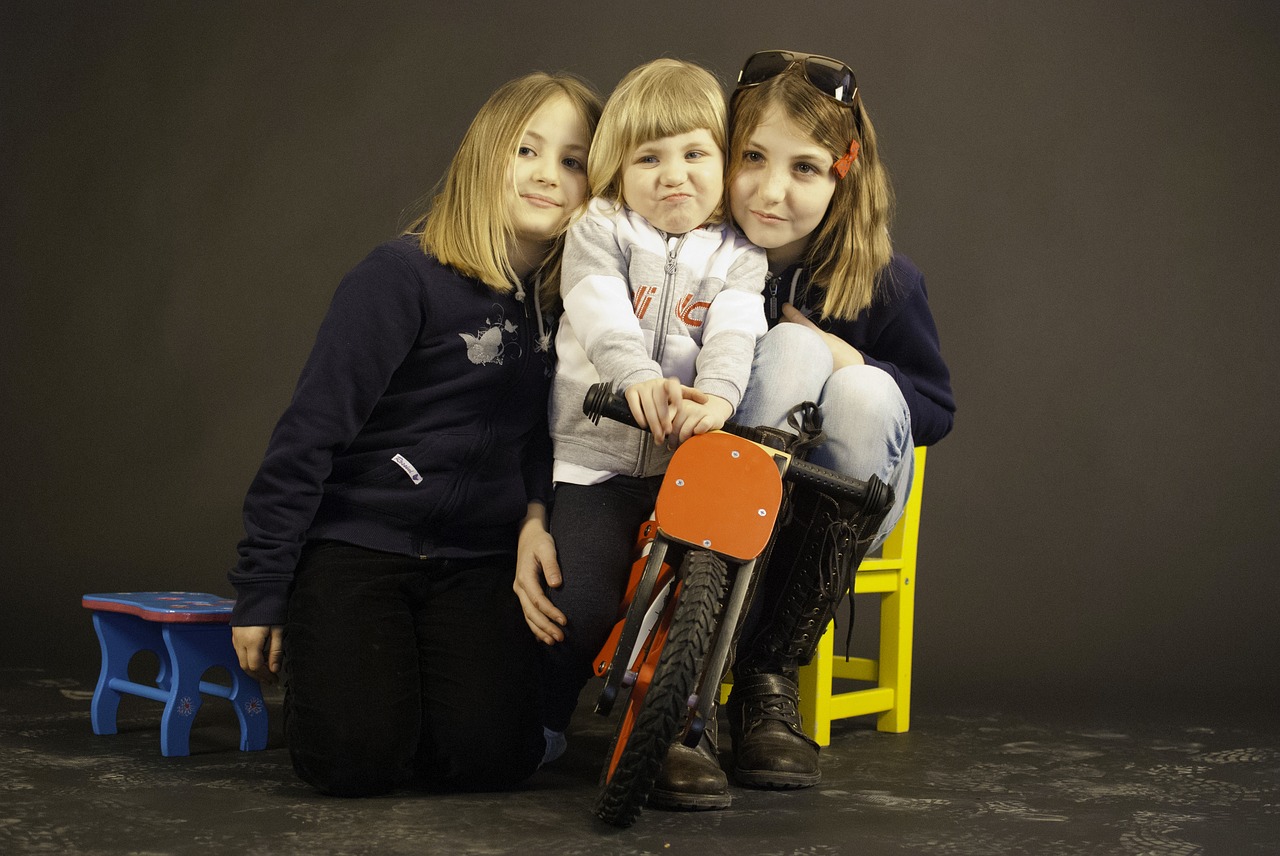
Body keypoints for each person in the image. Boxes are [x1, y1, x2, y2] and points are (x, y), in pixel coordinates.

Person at [227, 71, 601, 797]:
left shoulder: (574, 311)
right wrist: (262, 589)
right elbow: (306, 437)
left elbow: (543, 437)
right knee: (355, 762)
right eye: (526, 150)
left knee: (498, 760)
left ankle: (425, 704)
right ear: (485, 155)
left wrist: (531, 518)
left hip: (476, 557)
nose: (547, 176)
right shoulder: (402, 276)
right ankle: (345, 687)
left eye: (573, 160)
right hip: (360, 541)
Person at [654, 50, 956, 808]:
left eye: (805, 169)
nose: (771, 190)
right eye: (752, 158)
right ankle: (704, 678)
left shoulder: (882, 276)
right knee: (786, 346)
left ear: (843, 172)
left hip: (842, 504)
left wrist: (844, 352)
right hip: (715, 497)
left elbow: (937, 409)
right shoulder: (694, 261)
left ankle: (766, 673)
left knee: (854, 380)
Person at [514, 58, 766, 786]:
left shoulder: (738, 255)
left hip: (682, 466)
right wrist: (636, 379)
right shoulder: (601, 227)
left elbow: (733, 334)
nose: (673, 175)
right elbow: (597, 311)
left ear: (722, 165)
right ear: (617, 170)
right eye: (648, 158)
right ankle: (548, 712)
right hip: (595, 460)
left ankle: (683, 726)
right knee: (581, 600)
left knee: (699, 599)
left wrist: (716, 398)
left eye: (694, 154)